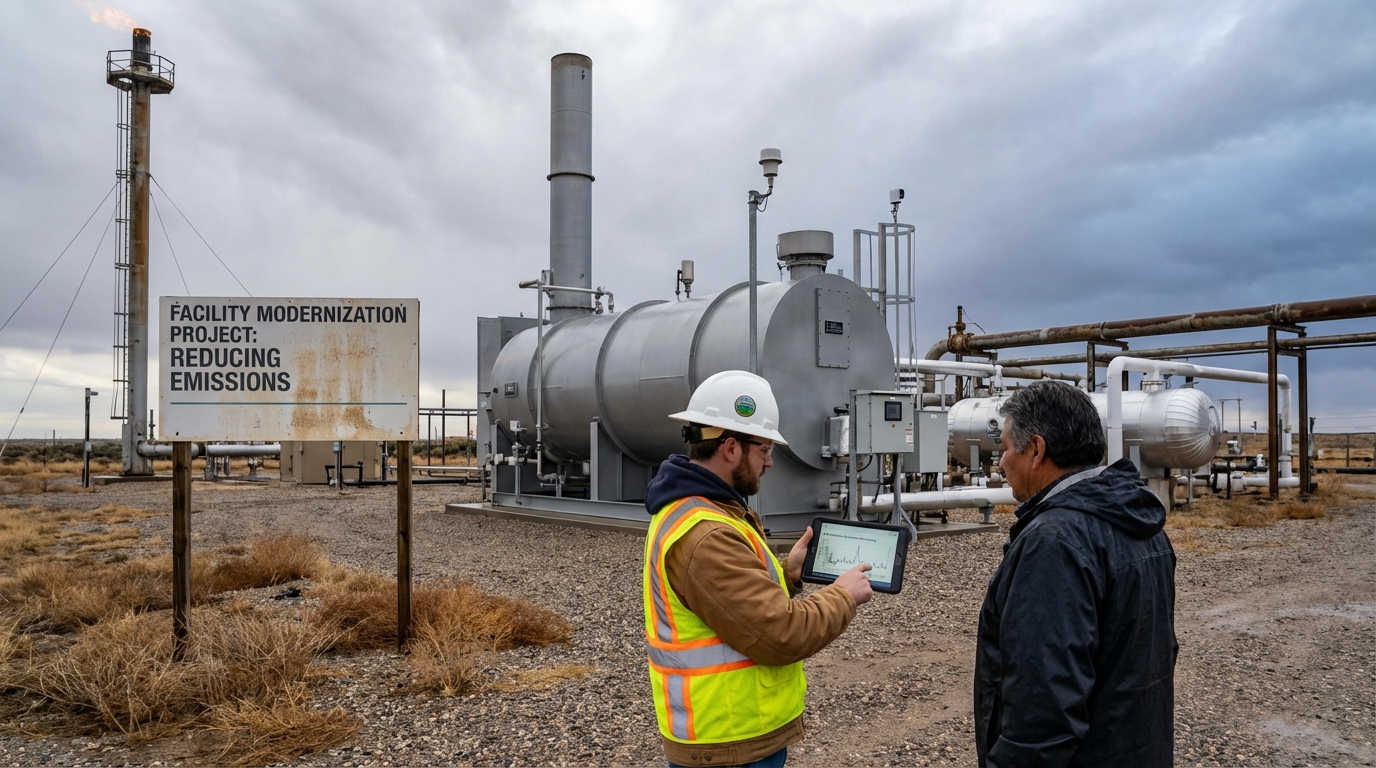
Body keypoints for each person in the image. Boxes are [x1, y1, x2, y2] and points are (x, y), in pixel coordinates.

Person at [642, 370, 873, 768]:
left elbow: (730, 603)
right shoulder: (706, 533)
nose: (768, 462)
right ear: (731, 448)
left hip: (735, 737)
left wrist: (790, 575)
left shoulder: (707, 511)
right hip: (729, 741)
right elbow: (780, 634)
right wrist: (842, 595)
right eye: (764, 449)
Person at [975, 381, 1178, 767]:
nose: (1000, 462)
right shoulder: (1142, 524)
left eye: (1004, 448)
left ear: (1036, 450)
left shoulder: (1054, 542)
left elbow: (1043, 707)